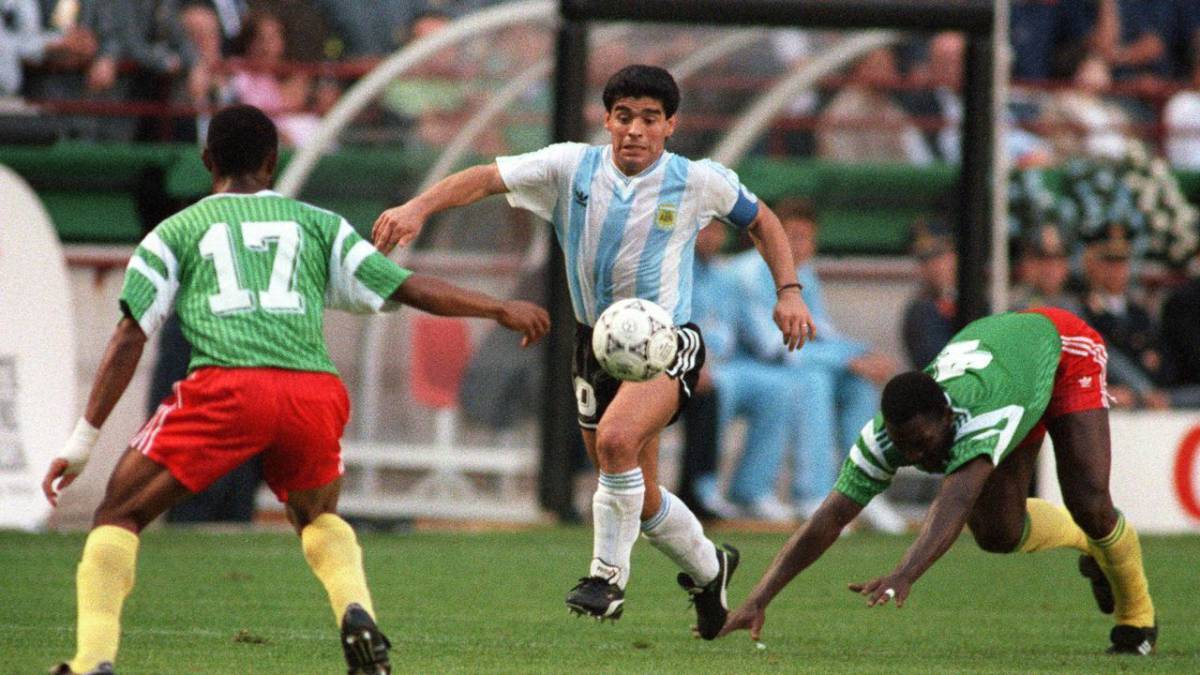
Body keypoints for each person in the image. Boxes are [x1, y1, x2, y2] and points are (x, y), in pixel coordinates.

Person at [41, 104, 549, 675]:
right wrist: (497, 307)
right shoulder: (319, 224)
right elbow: (405, 286)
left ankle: (93, 659)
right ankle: (356, 610)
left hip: (228, 386)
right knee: (316, 515)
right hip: (312, 391)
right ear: (272, 162)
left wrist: (83, 440)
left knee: (119, 512)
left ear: (207, 161)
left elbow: (129, 335)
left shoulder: (174, 232)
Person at [372, 64, 814, 638]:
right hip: (595, 345)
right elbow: (483, 178)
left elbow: (764, 223)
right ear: (607, 120)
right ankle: (711, 570)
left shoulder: (698, 180)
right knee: (640, 494)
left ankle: (606, 579)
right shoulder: (569, 166)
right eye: (624, 116)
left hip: (667, 341)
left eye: (650, 119)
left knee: (615, 441)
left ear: (670, 125)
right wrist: (417, 208)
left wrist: (789, 291)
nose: (635, 130)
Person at [718, 307, 1158, 656]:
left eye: (922, 444)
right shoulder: (884, 437)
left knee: (1090, 502)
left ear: (948, 416)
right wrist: (760, 597)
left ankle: (1136, 619)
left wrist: (904, 573)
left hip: (1061, 349)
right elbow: (829, 518)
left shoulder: (981, 413)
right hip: (1010, 371)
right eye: (904, 446)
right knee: (998, 534)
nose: (915, 458)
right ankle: (1088, 544)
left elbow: (956, 500)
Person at [730, 199, 899, 523]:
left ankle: (863, 491)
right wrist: (846, 361)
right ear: (771, 235)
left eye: (807, 238)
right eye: (793, 236)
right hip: (746, 363)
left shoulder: (804, 274)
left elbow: (821, 330)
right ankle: (812, 494)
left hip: (789, 362)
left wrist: (861, 354)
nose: (801, 246)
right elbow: (771, 346)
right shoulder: (748, 272)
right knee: (814, 380)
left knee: (857, 383)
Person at [900, 222, 958, 369]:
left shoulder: (982, 297)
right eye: (925, 260)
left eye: (941, 256)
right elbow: (938, 365)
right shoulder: (923, 310)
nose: (935, 266)